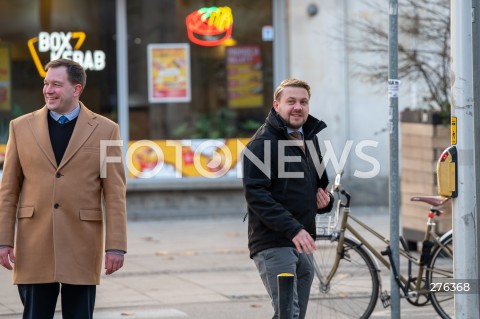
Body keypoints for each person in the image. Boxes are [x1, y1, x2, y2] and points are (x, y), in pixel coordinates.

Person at [0, 58, 127, 319]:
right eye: (46, 84)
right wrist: (3, 240)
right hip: (34, 242)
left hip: (82, 242)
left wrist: (116, 245)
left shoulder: (108, 130)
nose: (48, 90)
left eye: (56, 84)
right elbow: (8, 191)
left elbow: (115, 192)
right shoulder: (20, 127)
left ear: (76, 89)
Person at [242, 78, 333, 319]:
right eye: (290, 101)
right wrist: (293, 229)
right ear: (276, 105)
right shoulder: (262, 144)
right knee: (288, 314)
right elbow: (256, 195)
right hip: (274, 241)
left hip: (303, 240)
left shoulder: (310, 137)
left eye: (303, 102)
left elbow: (319, 183)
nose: (298, 107)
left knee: (293, 315)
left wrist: (326, 201)